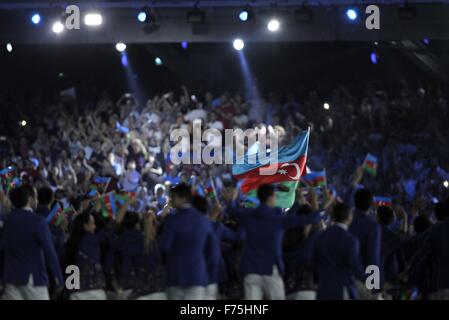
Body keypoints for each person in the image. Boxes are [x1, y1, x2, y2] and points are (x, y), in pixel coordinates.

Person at [223, 184, 325, 300]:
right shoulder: (278, 217)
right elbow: (308, 219)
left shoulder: (249, 215)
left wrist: (231, 199)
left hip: (250, 269)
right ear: (271, 198)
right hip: (270, 269)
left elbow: (231, 211)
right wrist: (317, 202)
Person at [2, 184, 63, 300]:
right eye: (35, 197)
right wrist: (58, 279)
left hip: (10, 277)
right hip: (33, 278)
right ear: (30, 199)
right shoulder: (37, 221)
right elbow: (50, 252)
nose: (37, 200)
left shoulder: (7, 220)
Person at [159, 183, 217, 300]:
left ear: (183, 198)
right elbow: (212, 252)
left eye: (173, 197)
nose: (171, 200)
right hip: (197, 276)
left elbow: (165, 247)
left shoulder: (172, 221)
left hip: (175, 277)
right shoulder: (204, 221)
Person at [313, 203, 366, 300]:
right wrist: (370, 280)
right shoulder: (350, 239)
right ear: (349, 217)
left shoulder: (320, 236)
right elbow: (354, 265)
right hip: (342, 290)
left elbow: (313, 263)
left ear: (333, 216)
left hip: (322, 290)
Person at [114, 210, 166, 300]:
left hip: (141, 292)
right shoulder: (161, 244)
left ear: (139, 226)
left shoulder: (134, 245)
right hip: (161, 292)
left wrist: (120, 285)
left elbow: (126, 267)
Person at [376, 206, 405, 299]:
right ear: (391, 219)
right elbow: (401, 261)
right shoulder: (395, 237)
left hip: (373, 277)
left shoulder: (371, 234)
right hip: (390, 278)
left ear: (377, 217)